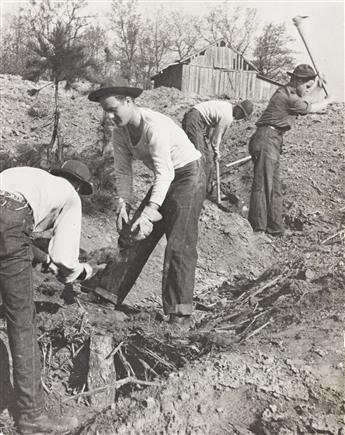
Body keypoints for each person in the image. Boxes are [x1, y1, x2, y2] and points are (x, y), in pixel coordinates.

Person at [88, 79, 206, 329]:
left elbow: (165, 174)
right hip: (168, 178)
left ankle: (179, 314)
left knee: (179, 243)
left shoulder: (154, 126)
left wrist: (150, 211)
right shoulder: (120, 132)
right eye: (105, 111)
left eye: (113, 109)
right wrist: (124, 202)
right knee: (133, 233)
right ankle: (108, 294)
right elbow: (123, 171)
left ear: (128, 102)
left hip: (188, 176)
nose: (109, 116)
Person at [0, 160, 97, 434]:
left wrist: (42, 258)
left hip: (8, 217)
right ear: (78, 185)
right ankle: (31, 416)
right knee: (22, 322)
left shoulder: (23, 175)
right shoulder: (71, 196)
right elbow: (65, 260)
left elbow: (9, 233)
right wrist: (83, 272)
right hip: (12, 221)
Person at [247, 64, 332, 236]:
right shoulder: (288, 98)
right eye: (306, 85)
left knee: (275, 187)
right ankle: (258, 229)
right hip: (266, 138)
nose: (308, 90)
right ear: (297, 80)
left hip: (274, 139)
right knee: (263, 185)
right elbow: (311, 107)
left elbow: (306, 95)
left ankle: (275, 228)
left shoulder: (291, 92)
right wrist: (330, 100)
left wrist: (316, 84)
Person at [182, 99, 254, 192]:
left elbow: (210, 123)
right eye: (242, 115)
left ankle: (205, 189)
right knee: (202, 157)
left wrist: (208, 138)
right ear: (239, 109)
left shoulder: (227, 107)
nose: (241, 118)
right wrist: (216, 152)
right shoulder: (227, 117)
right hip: (194, 121)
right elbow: (216, 139)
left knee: (207, 158)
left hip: (195, 119)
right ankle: (198, 190)